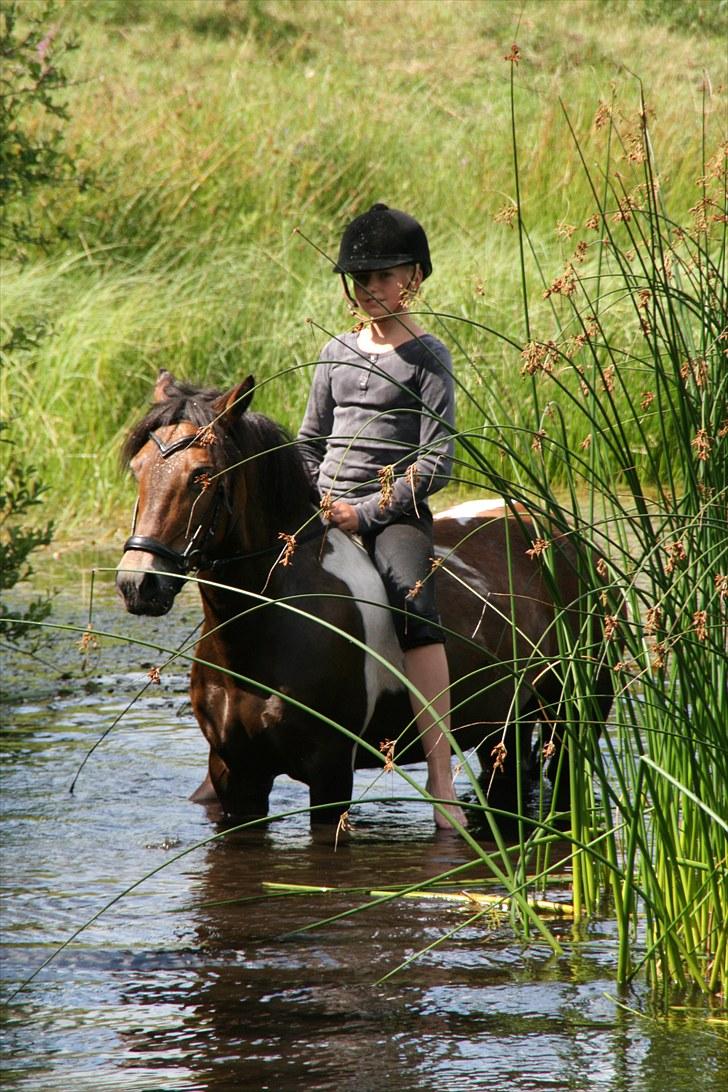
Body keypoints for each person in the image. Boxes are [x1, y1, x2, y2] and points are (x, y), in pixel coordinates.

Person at [298, 203, 467, 830]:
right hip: (325, 505)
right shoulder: (335, 351)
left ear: (414, 277)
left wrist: (364, 511)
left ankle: (443, 779)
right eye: (361, 280)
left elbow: (436, 460)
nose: (372, 290)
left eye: (385, 277)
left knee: (413, 600)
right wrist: (316, 500)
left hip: (392, 515)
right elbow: (310, 440)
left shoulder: (428, 356)